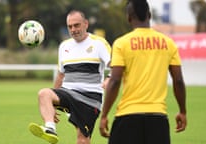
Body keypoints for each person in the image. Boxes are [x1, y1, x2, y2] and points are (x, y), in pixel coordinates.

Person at [99, 0, 187, 144]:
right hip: (158, 119)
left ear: (128, 18)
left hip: (127, 117)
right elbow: (178, 80)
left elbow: (114, 81)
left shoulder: (122, 43)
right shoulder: (168, 43)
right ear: (150, 15)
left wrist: (104, 115)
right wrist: (182, 111)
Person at [28, 10, 111, 144]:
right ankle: (50, 129)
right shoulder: (64, 46)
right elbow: (61, 75)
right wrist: (53, 105)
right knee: (44, 93)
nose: (73, 29)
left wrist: (110, 77)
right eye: (70, 26)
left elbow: (115, 64)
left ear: (86, 24)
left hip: (89, 99)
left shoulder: (99, 43)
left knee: (82, 140)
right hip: (67, 92)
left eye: (76, 25)